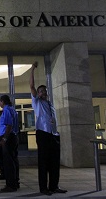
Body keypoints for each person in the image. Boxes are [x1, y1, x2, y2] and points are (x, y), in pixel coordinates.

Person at [30, 61, 67, 195]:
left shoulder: (50, 104)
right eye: (40, 91)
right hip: (43, 134)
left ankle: (54, 186)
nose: (43, 93)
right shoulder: (37, 103)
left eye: (44, 91)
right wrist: (32, 68)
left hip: (53, 135)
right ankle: (43, 188)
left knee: (54, 162)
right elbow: (31, 86)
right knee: (44, 162)